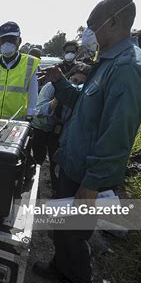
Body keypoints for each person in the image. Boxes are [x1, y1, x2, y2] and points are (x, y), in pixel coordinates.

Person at [33, 0, 141, 283]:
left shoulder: (129, 68)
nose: (86, 33)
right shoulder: (107, 62)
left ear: (113, 21)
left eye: (91, 25)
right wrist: (60, 83)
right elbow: (83, 106)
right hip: (74, 162)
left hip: (88, 173)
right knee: (62, 227)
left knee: (75, 234)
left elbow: (117, 135)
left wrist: (92, 184)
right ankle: (60, 267)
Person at [31, 64, 91, 192]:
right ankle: (34, 189)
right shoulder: (51, 88)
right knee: (37, 162)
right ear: (69, 78)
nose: (77, 84)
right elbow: (39, 111)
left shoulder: (81, 96)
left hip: (59, 133)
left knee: (56, 164)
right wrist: (55, 101)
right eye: (74, 80)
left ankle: (55, 190)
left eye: (81, 83)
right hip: (41, 128)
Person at [0, 21, 40, 120]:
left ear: (19, 41)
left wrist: (30, 115)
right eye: (3, 40)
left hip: (16, 120)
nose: (7, 43)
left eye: (11, 39)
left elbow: (33, 94)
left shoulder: (30, 63)